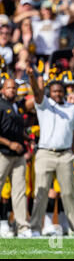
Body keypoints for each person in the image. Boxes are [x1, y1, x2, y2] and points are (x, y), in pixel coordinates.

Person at [27, 66, 74, 237]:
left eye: (60, 91)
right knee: (41, 191)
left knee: (69, 193)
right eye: (54, 91)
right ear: (49, 92)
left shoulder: (72, 109)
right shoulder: (44, 104)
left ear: (64, 91)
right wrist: (32, 76)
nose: (58, 94)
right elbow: (37, 92)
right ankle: (36, 228)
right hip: (45, 153)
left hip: (65, 154)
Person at [0, 78, 33, 237]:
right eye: (8, 88)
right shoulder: (0, 105)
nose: (12, 90)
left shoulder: (17, 106)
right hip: (3, 153)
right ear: (2, 90)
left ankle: (22, 227)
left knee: (19, 191)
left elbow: (16, 128)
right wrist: (10, 144)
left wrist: (25, 138)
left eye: (14, 88)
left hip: (18, 155)